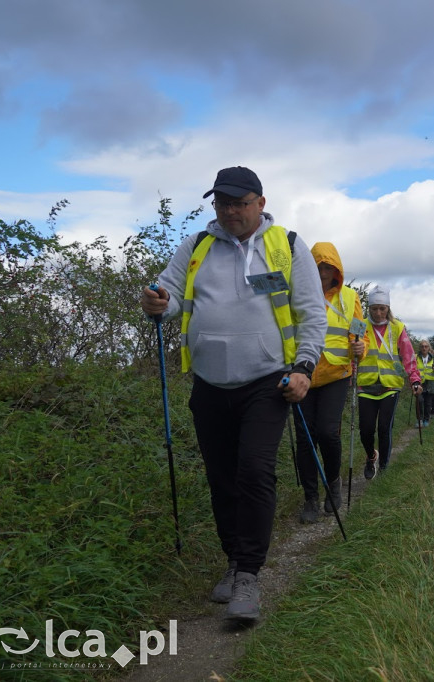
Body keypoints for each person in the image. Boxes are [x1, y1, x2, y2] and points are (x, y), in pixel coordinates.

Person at [140, 166, 327, 621]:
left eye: (239, 203)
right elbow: (169, 295)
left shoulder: (288, 246)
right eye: (221, 203)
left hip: (267, 381)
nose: (229, 212)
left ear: (260, 203)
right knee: (222, 479)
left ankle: (248, 575)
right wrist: (155, 303)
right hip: (208, 381)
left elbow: (311, 313)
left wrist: (304, 367)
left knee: (254, 471)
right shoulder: (197, 245)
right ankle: (232, 562)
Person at [292, 242, 366, 524]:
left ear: (336, 269)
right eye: (318, 267)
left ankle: (333, 482)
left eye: (327, 267)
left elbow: (359, 334)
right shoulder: (297, 293)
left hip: (337, 374)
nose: (323, 273)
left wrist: (361, 348)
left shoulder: (350, 298)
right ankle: (310, 497)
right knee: (305, 437)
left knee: (327, 433)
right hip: (303, 373)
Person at [357, 285, 422, 478]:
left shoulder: (397, 327)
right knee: (366, 431)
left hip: (390, 385)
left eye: (382, 308)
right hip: (366, 385)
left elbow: (408, 356)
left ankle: (384, 468)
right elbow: (351, 353)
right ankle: (371, 457)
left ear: (388, 308)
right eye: (374, 308)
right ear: (369, 308)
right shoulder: (359, 325)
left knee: (384, 428)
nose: (378, 313)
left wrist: (415, 379)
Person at [416, 339, 434, 426]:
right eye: (422, 346)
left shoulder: (433, 358)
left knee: (428, 403)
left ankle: (426, 420)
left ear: (429, 348)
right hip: (419, 382)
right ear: (420, 348)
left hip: (430, 383)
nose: (424, 348)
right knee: (419, 401)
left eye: (426, 346)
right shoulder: (416, 357)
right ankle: (419, 420)